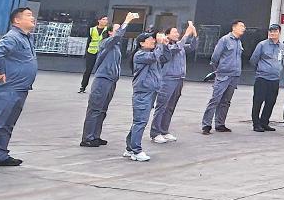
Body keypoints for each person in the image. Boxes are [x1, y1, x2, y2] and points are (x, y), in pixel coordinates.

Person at [0, 8, 38, 173]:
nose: (33, 17)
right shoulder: (13, 37)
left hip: (20, 89)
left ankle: (0, 154)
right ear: (17, 20)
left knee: (7, 124)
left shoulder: (27, 38)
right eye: (28, 15)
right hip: (7, 89)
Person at [79, 13, 139, 147]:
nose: (120, 32)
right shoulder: (106, 43)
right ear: (110, 32)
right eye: (116, 29)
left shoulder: (115, 46)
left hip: (111, 80)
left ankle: (95, 135)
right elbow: (117, 36)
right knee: (95, 109)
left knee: (102, 110)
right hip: (103, 79)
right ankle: (87, 137)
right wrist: (126, 21)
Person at [150, 19, 197, 144]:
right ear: (167, 35)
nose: (177, 34)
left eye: (178, 32)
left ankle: (164, 130)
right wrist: (186, 34)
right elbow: (175, 48)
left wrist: (193, 33)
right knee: (162, 106)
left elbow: (192, 47)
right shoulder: (166, 46)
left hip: (179, 79)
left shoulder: (180, 45)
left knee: (171, 106)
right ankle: (155, 132)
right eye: (174, 32)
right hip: (168, 79)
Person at [124, 31, 163, 162]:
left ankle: (130, 148)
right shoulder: (140, 55)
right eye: (150, 40)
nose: (153, 41)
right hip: (143, 92)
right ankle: (136, 150)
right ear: (141, 43)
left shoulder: (150, 54)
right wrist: (160, 44)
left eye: (153, 40)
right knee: (140, 121)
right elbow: (155, 56)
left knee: (139, 121)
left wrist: (164, 44)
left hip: (150, 91)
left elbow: (164, 57)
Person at [202, 20, 245, 134]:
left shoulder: (239, 42)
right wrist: (218, 71)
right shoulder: (225, 40)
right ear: (234, 27)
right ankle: (206, 125)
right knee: (215, 100)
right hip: (223, 75)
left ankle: (220, 124)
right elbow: (215, 58)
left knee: (226, 101)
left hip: (234, 76)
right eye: (241, 26)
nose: (243, 28)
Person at [250, 25, 284, 132]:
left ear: (279, 33)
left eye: (275, 31)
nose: (272, 33)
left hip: (274, 79)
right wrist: (261, 69)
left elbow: (282, 61)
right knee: (258, 101)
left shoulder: (282, 46)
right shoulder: (262, 45)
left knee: (271, 101)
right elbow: (253, 60)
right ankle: (256, 124)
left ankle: (264, 122)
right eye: (271, 31)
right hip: (262, 78)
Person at [79, 16, 109, 93]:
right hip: (91, 52)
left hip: (101, 52)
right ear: (99, 20)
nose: (105, 21)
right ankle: (83, 86)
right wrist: (86, 51)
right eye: (103, 19)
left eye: (106, 20)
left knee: (100, 71)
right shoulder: (92, 29)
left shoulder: (108, 30)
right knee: (88, 70)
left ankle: (99, 87)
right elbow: (89, 40)